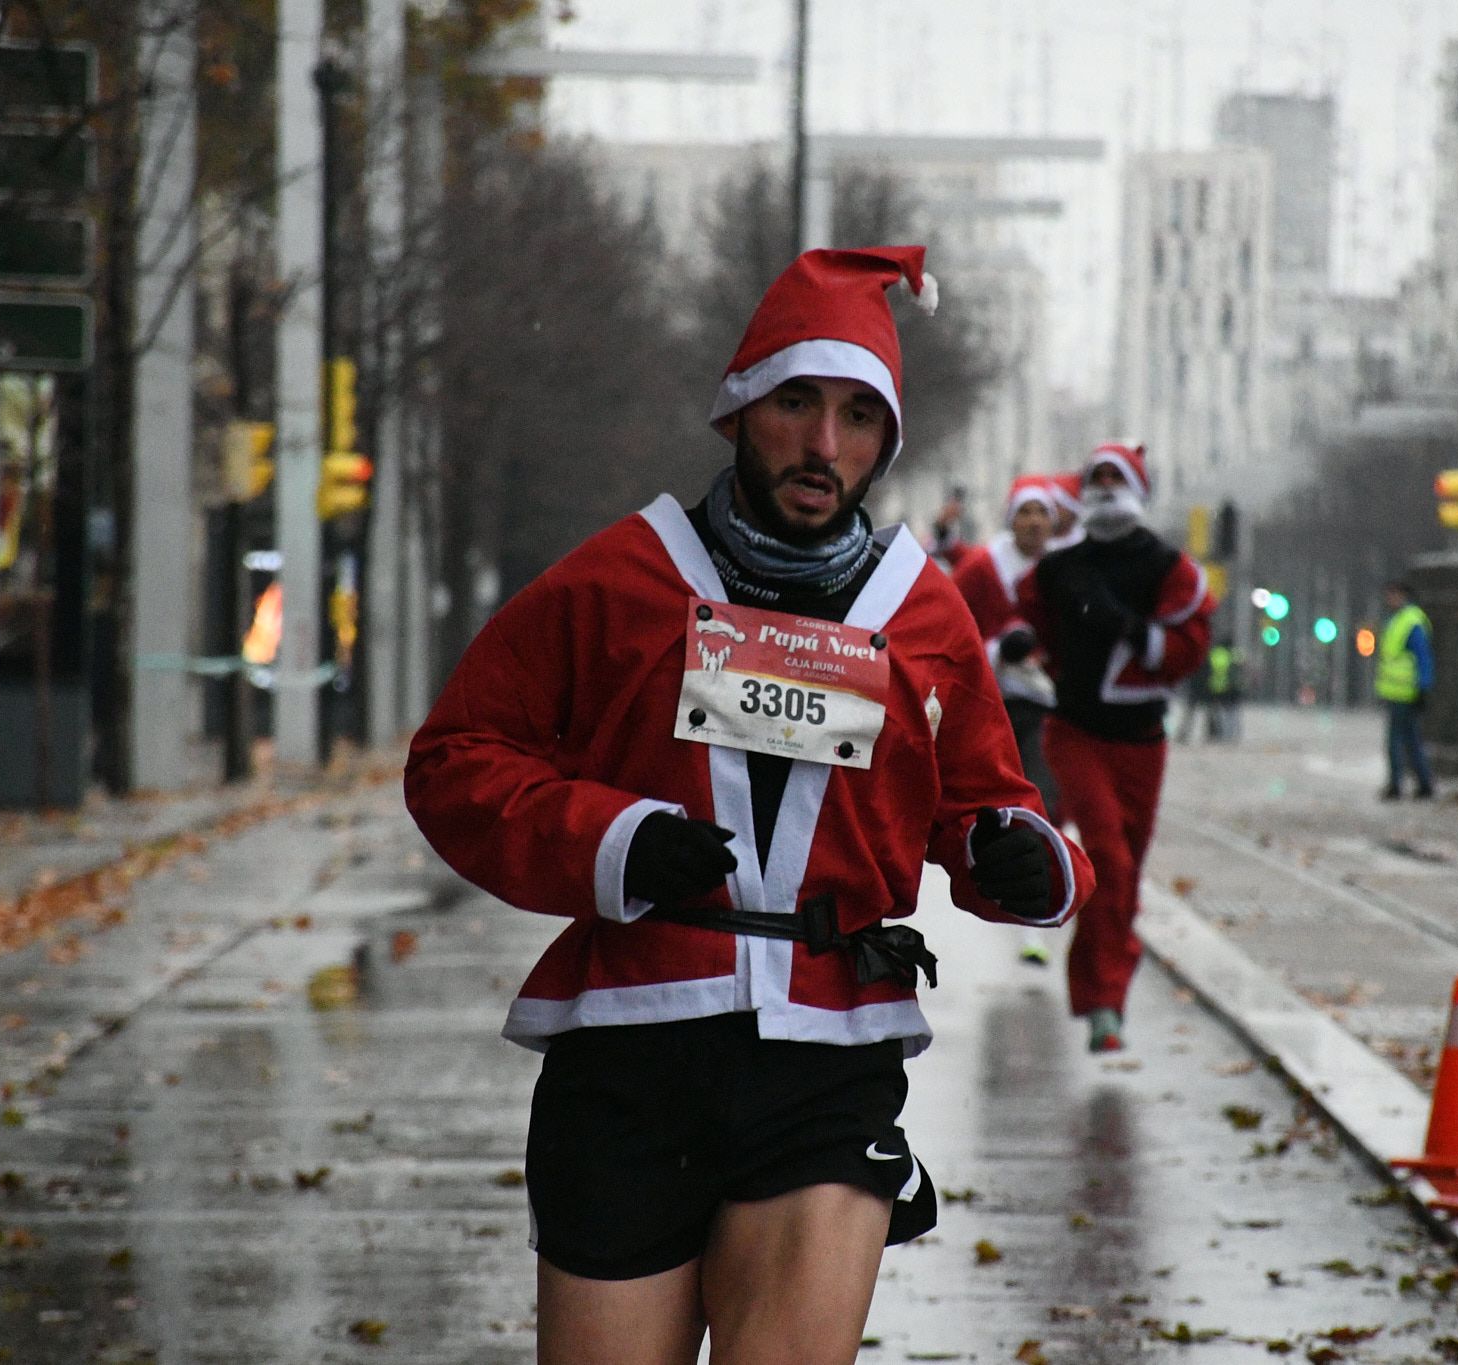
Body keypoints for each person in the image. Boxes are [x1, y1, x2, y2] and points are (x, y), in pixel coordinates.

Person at [404, 245, 1093, 1365]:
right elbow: (454, 759)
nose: (824, 445)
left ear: (886, 442)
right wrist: (616, 842)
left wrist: (1020, 855)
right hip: (629, 1051)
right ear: (739, 410)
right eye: (795, 404)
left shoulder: (919, 610)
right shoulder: (622, 577)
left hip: (827, 1055)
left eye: (858, 417)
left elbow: (983, 806)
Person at [1016, 442, 1213, 1053]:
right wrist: (1022, 646)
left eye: (1115, 476)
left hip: (1143, 741)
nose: (1104, 485)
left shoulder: (1167, 566)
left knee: (1127, 872)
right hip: (1075, 732)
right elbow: (1026, 620)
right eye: (1095, 476)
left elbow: (1189, 648)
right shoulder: (1057, 570)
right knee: (1108, 857)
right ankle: (1102, 1003)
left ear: (1137, 486)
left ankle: (1108, 992)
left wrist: (1128, 627)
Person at [951, 475, 1064, 964]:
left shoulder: (1063, 569)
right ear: (1010, 519)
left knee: (1043, 803)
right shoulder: (982, 568)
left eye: (1042, 513)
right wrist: (999, 649)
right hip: (988, 703)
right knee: (991, 804)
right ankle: (998, 892)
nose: (1034, 523)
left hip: (1045, 707)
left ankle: (1035, 916)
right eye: (1025, 512)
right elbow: (950, 625)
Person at [1376, 578, 1436, 800]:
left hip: (1405, 691)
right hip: (1398, 691)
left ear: (1402, 595)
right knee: (1411, 739)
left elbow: (1423, 656)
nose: (1389, 599)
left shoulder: (1410, 621)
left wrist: (1423, 686)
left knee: (1396, 740)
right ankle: (1424, 783)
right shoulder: (1399, 620)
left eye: (1393, 594)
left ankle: (1396, 784)